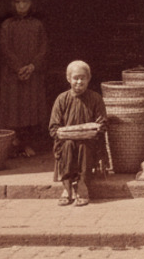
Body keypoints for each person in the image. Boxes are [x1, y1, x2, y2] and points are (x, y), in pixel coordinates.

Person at [0, 0, 49, 157]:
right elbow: (5, 49)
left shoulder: (37, 25)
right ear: (13, 4)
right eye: (17, 2)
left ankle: (27, 144)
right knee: (13, 108)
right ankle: (12, 144)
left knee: (30, 107)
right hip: (13, 75)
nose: (21, 6)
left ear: (30, 3)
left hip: (33, 74)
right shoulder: (7, 25)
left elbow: (44, 48)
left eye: (24, 2)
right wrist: (18, 67)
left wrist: (33, 66)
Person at [49, 60, 108, 206]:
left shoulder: (95, 98)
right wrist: (67, 134)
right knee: (69, 145)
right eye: (75, 78)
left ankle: (82, 185)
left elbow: (102, 124)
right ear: (68, 78)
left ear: (89, 78)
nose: (79, 82)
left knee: (83, 145)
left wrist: (90, 131)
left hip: (89, 142)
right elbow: (54, 128)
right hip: (65, 142)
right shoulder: (62, 99)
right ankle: (67, 187)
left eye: (83, 78)